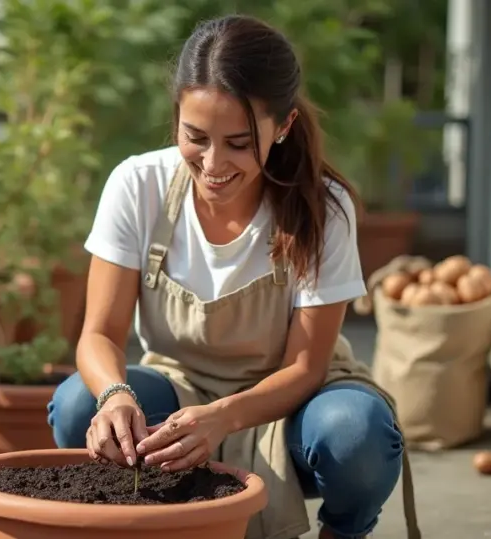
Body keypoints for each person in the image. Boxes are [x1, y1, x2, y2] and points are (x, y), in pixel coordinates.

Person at [46, 14, 420, 539]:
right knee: (78, 404)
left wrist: (223, 415)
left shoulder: (323, 207)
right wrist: (116, 397)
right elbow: (100, 334)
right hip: (179, 389)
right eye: (195, 136)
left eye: (239, 143)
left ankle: (343, 532)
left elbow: (306, 367)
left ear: (283, 127)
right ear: (175, 115)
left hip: (296, 402)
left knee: (357, 434)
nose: (213, 164)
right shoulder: (138, 185)